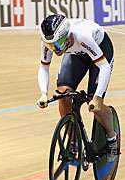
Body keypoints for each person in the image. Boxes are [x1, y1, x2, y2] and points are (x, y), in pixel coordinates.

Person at [36, 15, 118, 163]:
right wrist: (43, 93)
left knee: (95, 106)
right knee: (63, 93)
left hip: (100, 51)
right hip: (76, 54)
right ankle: (73, 142)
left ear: (67, 36)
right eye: (51, 46)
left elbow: (104, 67)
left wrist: (98, 97)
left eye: (58, 45)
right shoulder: (49, 41)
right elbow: (44, 67)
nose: (55, 50)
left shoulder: (82, 36)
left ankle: (112, 139)